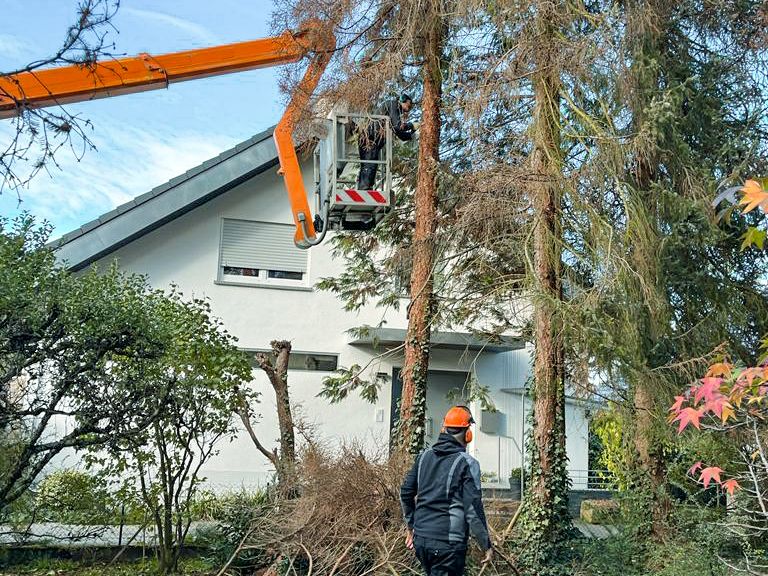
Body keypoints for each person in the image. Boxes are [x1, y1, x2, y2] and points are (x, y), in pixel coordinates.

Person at [400, 406, 493, 576]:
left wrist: (411, 528)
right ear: (467, 434)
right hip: (448, 545)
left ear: (444, 429)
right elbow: (472, 509)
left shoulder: (424, 456)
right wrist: (486, 544)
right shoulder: (467, 463)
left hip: (421, 541)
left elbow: (405, 492)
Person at [356, 93, 417, 190]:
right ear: (402, 101)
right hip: (369, 139)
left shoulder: (393, 111)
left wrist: (411, 135)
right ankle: (364, 188)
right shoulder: (393, 104)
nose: (409, 108)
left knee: (371, 164)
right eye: (409, 105)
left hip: (372, 140)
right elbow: (398, 126)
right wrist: (411, 125)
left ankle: (366, 187)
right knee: (369, 163)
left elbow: (398, 132)